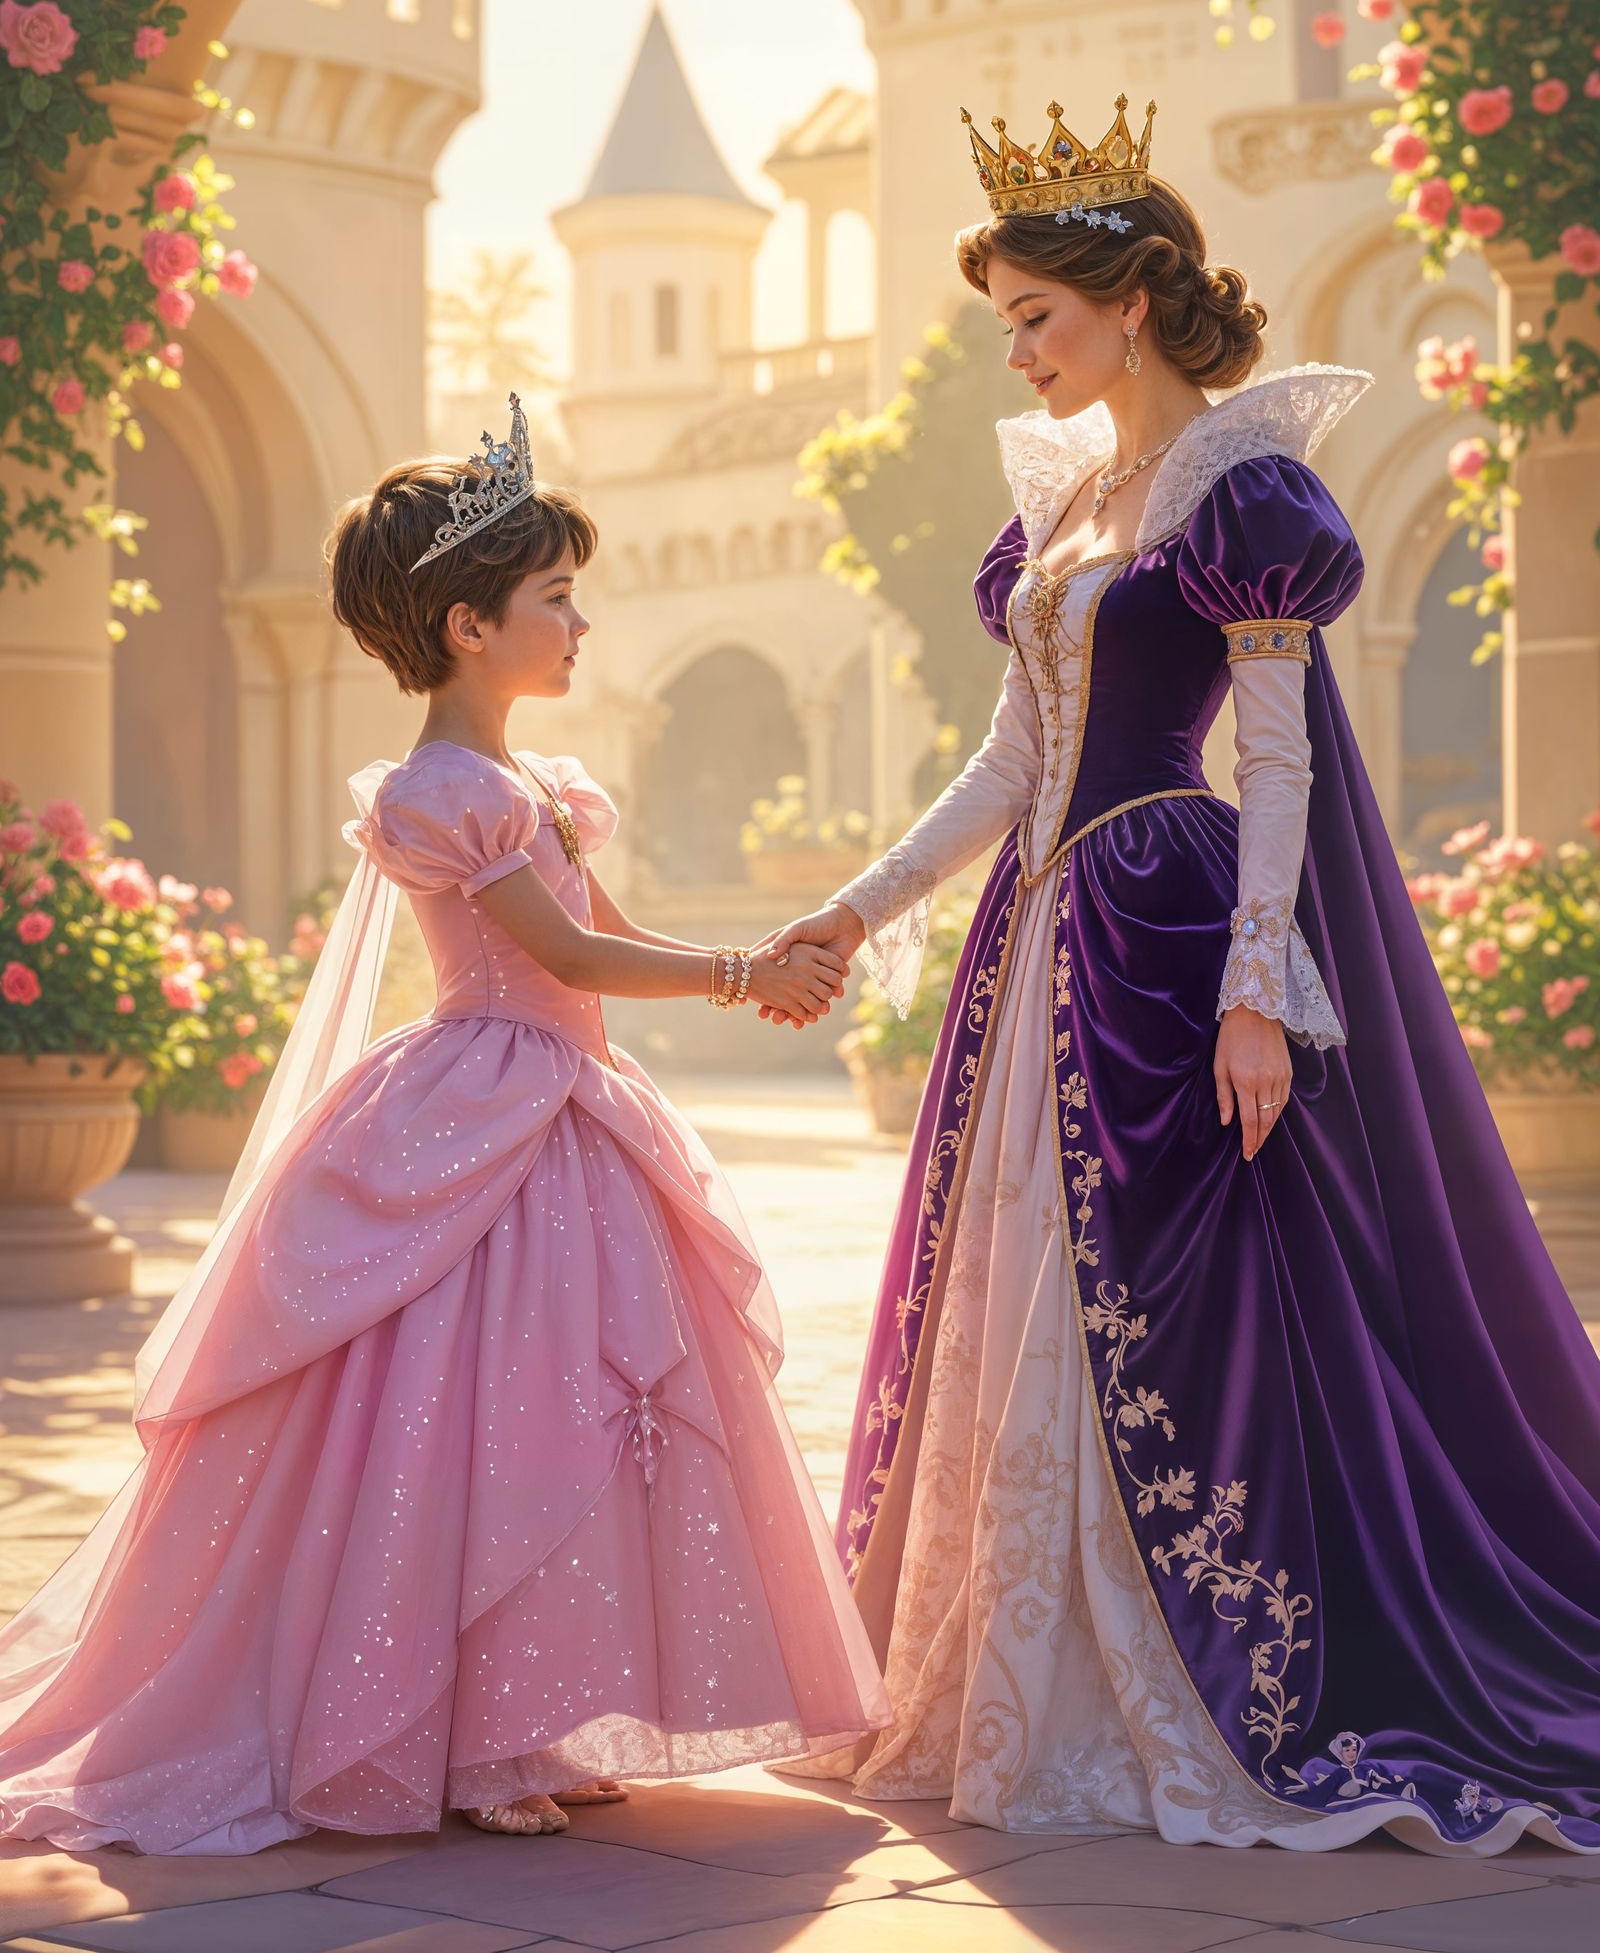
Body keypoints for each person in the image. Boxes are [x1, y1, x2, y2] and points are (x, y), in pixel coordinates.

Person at [764, 97, 1600, 1853]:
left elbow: (1279, 758)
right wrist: (855, 908)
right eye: (1004, 321)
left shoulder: (1246, 487)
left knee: (1192, 1310)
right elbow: (1008, 763)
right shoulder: (1068, 497)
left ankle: (1201, 1667)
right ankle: (1022, 1669)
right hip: (1040, 939)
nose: (1016, 350)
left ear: (1130, 299)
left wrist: (1253, 989)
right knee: (1016, 1296)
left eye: (1034, 318)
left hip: (1162, 925)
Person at [0, 400, 889, 1854]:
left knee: (573, 1417)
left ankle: (535, 1710)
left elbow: (605, 933)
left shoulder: (540, 785)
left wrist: (767, 962)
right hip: (480, 1114)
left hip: (566, 1113)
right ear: (473, 626)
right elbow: (572, 956)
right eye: (556, 597)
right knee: (471, 1418)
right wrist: (741, 974)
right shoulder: (440, 790)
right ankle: (462, 1736)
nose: (583, 621)